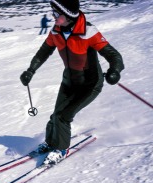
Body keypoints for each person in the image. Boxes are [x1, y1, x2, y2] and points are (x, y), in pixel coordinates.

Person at [20, 0, 124, 164]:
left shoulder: (88, 32)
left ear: (68, 16)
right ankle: (50, 143)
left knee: (63, 116)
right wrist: (30, 70)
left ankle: (61, 149)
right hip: (69, 81)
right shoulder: (56, 31)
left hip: (89, 85)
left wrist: (115, 71)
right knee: (55, 116)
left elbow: (114, 56)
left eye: (56, 14)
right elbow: (43, 52)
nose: (53, 17)